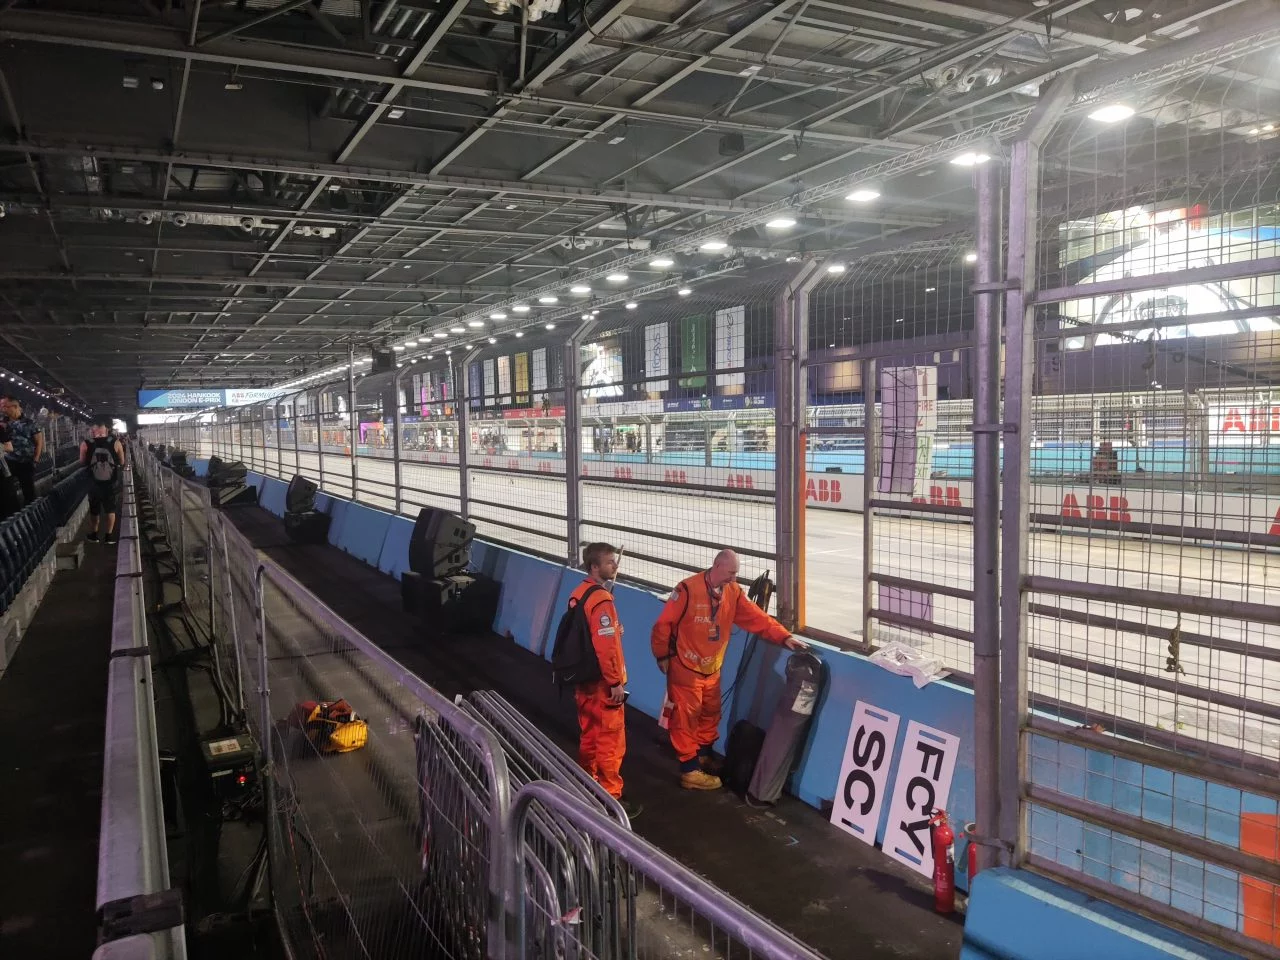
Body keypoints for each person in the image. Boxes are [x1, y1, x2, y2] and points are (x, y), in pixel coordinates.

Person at [651, 549, 808, 790]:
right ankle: (689, 770)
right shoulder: (687, 589)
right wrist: (662, 655)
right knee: (685, 717)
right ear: (717, 566)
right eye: (731, 573)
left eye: (736, 574)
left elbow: (757, 618)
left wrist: (784, 637)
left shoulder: (732, 593)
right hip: (686, 667)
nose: (734, 579)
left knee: (711, 712)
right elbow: (664, 624)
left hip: (712, 667)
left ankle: (702, 755)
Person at [568, 542, 640, 819]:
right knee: (610, 740)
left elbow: (587, 633)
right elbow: (606, 646)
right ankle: (612, 799)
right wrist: (615, 683)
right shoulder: (602, 600)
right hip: (602, 683)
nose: (615, 566)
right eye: (610, 562)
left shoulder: (579, 593)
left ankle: (587, 784)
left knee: (589, 734)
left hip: (583, 679)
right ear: (595, 567)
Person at [81, 420, 126, 544]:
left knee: (94, 510)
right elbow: (122, 462)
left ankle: (94, 535)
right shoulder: (116, 443)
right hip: (110, 483)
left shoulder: (85, 444)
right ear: (107, 430)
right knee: (110, 509)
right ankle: (108, 536)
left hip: (93, 483)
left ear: (93, 430)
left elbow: (82, 462)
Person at [2, 394, 43, 506]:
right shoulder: (2, 423)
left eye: (5, 406)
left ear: (15, 406)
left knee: (28, 491)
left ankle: (31, 515)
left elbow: (39, 442)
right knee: (8, 491)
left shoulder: (30, 423)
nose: (3, 408)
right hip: (8, 461)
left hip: (26, 461)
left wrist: (35, 460)